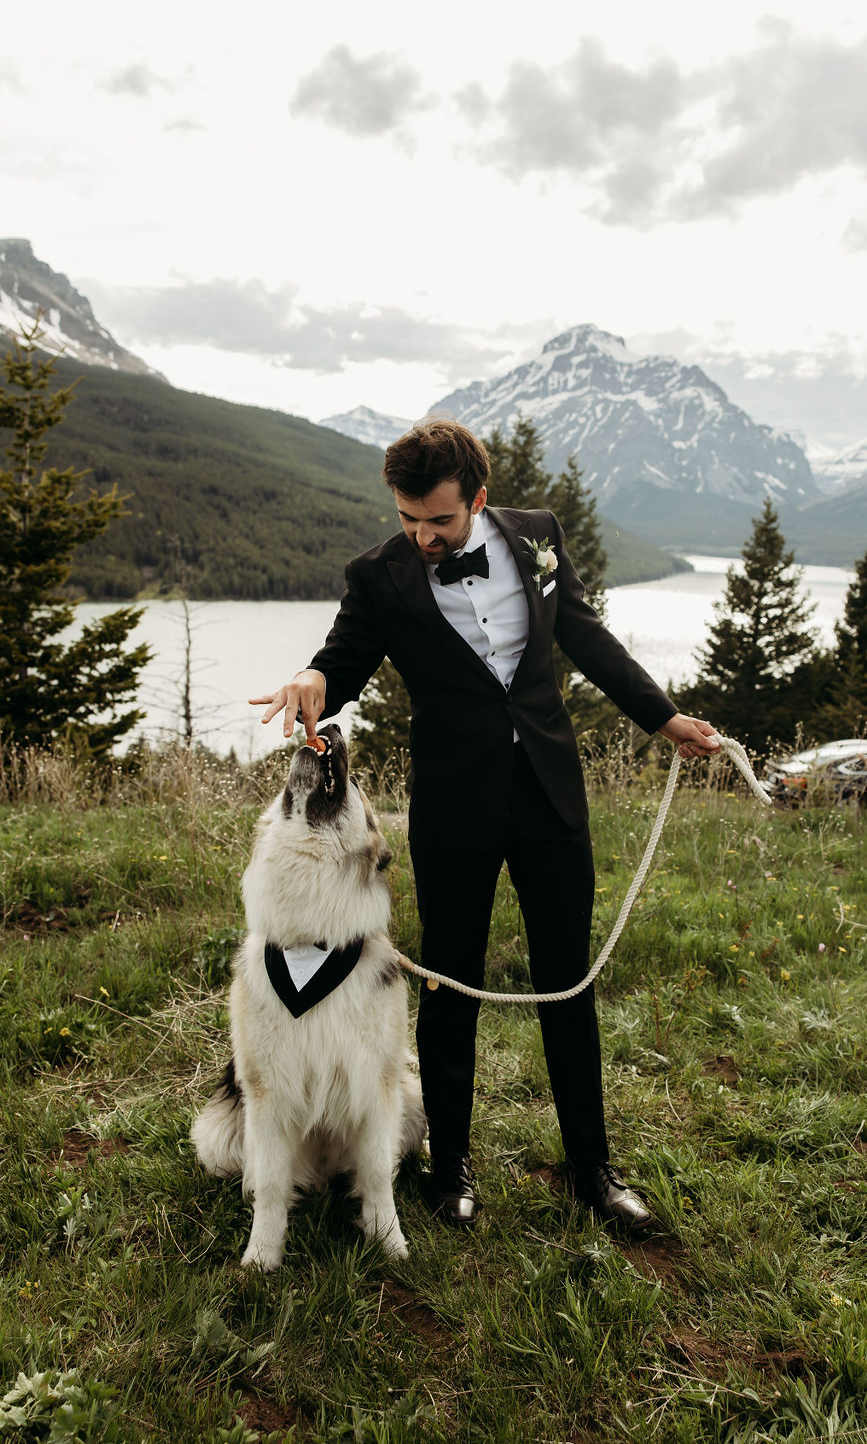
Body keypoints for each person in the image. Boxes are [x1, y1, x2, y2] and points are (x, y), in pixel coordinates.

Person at [251, 417, 719, 1236]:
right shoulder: (379, 575)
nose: (424, 536)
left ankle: (593, 1171)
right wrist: (312, 678)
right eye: (408, 520)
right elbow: (345, 654)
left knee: (567, 981)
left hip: (549, 795)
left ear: (479, 497)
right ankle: (451, 1167)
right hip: (453, 806)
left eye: (440, 520)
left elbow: (584, 633)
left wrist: (663, 717)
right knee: (450, 984)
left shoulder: (539, 538)